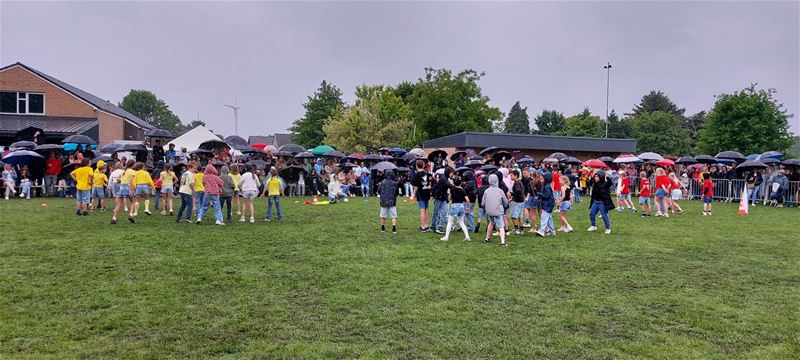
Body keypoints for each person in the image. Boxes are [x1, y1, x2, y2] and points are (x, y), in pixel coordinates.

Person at [440, 176, 471, 242]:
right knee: (461, 222)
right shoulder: (463, 190)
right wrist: (468, 207)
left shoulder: (452, 190)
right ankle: (467, 236)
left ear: (453, 183)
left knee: (450, 222)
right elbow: (467, 200)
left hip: (454, 206)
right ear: (461, 183)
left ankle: (446, 237)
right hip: (461, 206)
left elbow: (449, 198)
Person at [481, 174, 509, 246]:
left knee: (491, 223)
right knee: (501, 226)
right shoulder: (500, 191)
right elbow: (505, 201)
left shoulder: (486, 191)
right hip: (498, 211)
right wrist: (505, 206)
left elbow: (482, 203)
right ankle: (503, 241)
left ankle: (487, 238)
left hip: (489, 211)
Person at [410, 160, 433, 232]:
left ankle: (423, 227)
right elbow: (430, 183)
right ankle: (427, 225)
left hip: (421, 194)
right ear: (423, 166)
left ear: (416, 166)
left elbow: (415, 186)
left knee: (422, 210)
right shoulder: (428, 173)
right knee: (426, 209)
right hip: (427, 193)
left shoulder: (416, 175)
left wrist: (413, 194)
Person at [587, 170, 612, 234]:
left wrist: (607, 177)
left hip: (602, 202)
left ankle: (608, 228)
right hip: (595, 201)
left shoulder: (605, 184)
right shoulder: (594, 183)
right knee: (592, 214)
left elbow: (610, 183)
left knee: (604, 215)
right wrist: (592, 177)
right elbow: (589, 183)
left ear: (601, 177)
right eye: (595, 177)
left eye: (597, 177)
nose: (596, 178)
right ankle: (593, 226)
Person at [111, 160, 135, 224]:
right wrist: (132, 189)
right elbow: (131, 181)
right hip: (128, 187)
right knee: (132, 202)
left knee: (119, 204)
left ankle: (114, 218)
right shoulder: (133, 171)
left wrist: (121, 181)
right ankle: (131, 214)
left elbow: (118, 179)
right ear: (133, 165)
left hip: (121, 187)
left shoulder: (124, 171)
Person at [431, 167, 453, 234]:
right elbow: (449, 185)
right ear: (448, 172)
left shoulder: (445, 178)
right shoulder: (444, 179)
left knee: (443, 212)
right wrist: (457, 187)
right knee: (436, 212)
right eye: (451, 173)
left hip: (443, 197)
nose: (452, 174)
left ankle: (440, 227)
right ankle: (433, 226)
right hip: (438, 198)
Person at [534, 172, 555, 237]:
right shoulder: (546, 186)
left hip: (547, 204)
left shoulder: (547, 186)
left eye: (542, 178)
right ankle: (552, 231)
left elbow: (546, 195)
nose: (540, 179)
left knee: (544, 217)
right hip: (548, 203)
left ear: (546, 179)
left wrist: (539, 193)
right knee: (549, 218)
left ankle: (542, 231)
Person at [378, 169, 399, 233]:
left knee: (383, 216)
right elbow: (397, 192)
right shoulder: (395, 183)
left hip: (383, 201)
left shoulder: (382, 183)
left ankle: (382, 228)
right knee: (393, 216)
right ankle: (394, 229)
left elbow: (379, 191)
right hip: (392, 201)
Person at [509, 169, 526, 235]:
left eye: (511, 175)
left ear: (516, 176)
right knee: (520, 216)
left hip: (517, 201)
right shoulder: (519, 182)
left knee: (513, 216)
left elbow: (518, 192)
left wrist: (511, 194)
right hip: (521, 201)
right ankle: (521, 229)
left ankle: (517, 230)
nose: (510, 177)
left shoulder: (517, 182)